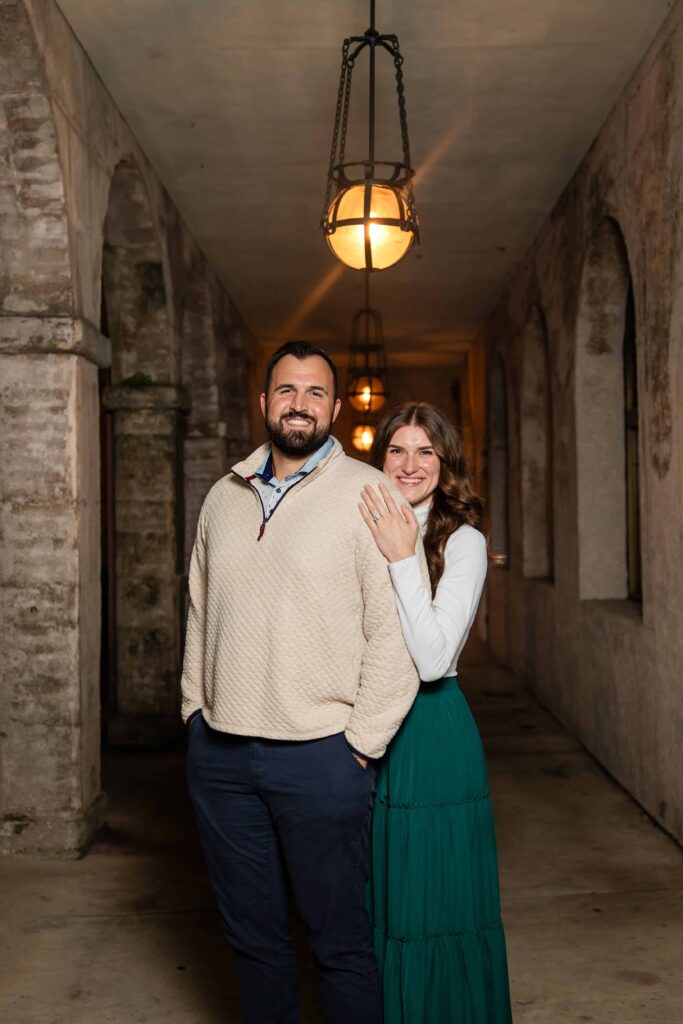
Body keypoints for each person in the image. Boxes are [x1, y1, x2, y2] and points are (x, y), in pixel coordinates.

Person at [181, 341, 421, 1024]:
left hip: (321, 756)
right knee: (254, 943)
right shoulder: (223, 496)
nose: (299, 404)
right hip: (221, 757)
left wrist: (361, 745)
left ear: (336, 408)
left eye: (315, 393)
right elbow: (199, 606)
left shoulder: (369, 494)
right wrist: (194, 710)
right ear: (263, 403)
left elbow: (394, 630)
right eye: (286, 390)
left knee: (339, 945)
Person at [359, 401, 513, 1024]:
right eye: (397, 449)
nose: (410, 463)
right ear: (380, 458)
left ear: (445, 462)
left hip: (431, 731)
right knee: (385, 896)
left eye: (426, 451)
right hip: (369, 722)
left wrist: (403, 555)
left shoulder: (464, 541)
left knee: (438, 903)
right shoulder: (358, 522)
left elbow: (431, 658)